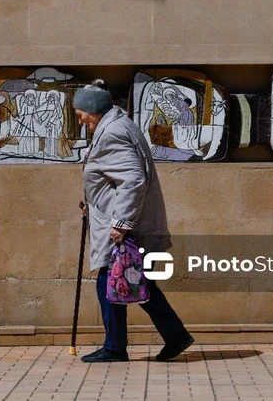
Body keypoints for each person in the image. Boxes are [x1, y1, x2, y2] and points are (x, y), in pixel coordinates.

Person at [73, 79, 194, 363]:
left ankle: (115, 346)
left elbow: (132, 179)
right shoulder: (118, 126)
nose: (82, 121)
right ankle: (175, 336)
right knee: (136, 282)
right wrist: (93, 202)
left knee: (110, 282)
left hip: (124, 229)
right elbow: (116, 179)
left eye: (81, 115)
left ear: (93, 110)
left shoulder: (112, 132)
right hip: (123, 222)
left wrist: (121, 223)